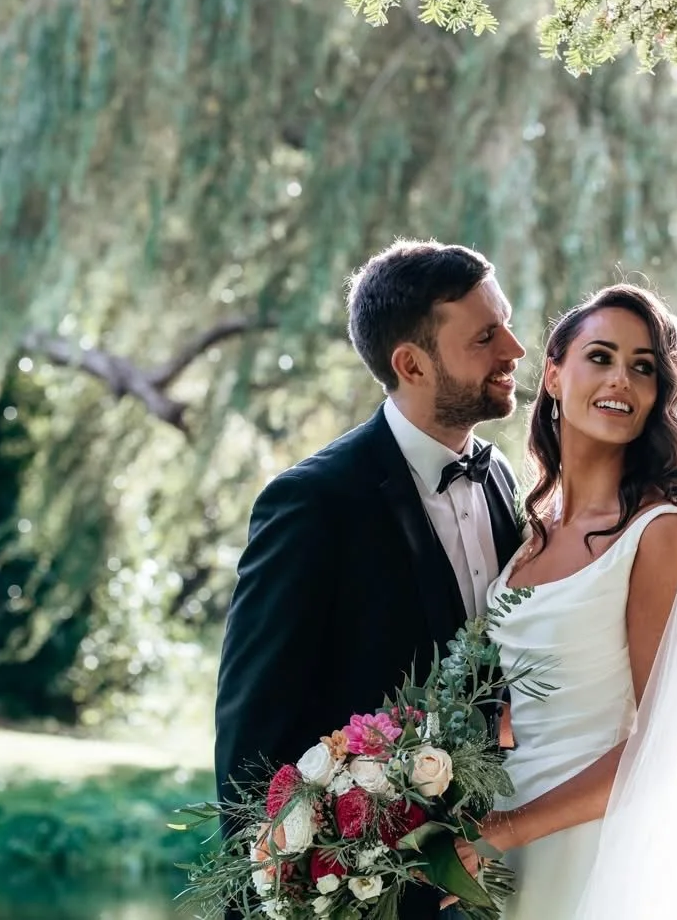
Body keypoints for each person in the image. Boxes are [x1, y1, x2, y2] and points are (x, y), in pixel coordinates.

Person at [213, 238, 527, 919]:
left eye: (505, 322)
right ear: (411, 363)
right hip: (354, 895)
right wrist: (267, 899)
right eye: (486, 336)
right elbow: (251, 731)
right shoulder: (314, 503)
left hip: (475, 886)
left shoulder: (502, 480)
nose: (516, 349)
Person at [463, 284, 677, 919]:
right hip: (497, 843)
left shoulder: (658, 532)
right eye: (602, 357)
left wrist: (505, 829)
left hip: (587, 848)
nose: (622, 379)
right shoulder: (532, 527)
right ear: (554, 375)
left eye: (643, 367)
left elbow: (662, 743)